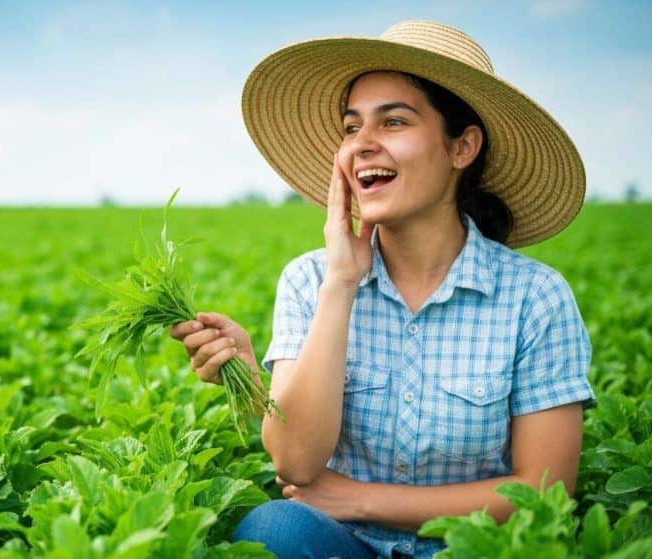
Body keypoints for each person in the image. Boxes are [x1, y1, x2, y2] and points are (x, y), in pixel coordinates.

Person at [169, 20, 594, 559]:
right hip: (346, 545)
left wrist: (359, 499)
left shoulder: (535, 298)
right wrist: (342, 282)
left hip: (473, 549)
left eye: (393, 121)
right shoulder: (310, 280)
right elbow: (296, 465)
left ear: (462, 147)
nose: (363, 145)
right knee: (275, 529)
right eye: (351, 128)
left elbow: (542, 492)